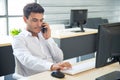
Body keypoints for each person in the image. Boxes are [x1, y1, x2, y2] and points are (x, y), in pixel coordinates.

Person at [12, 2, 71, 79]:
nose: (39, 25)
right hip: (38, 77)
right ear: (25, 19)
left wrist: (48, 39)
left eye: (41, 20)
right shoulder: (19, 39)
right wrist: (51, 66)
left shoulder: (44, 35)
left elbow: (60, 58)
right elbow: (27, 60)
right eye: (35, 20)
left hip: (53, 75)